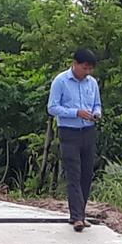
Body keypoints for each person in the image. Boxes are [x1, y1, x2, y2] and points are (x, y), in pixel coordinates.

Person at [47, 48, 101, 231]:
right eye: (84, 68)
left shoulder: (92, 83)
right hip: (68, 131)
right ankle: (76, 216)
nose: (87, 72)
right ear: (75, 64)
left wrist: (96, 113)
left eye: (90, 69)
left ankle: (81, 214)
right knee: (73, 173)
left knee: (86, 174)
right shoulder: (61, 81)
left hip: (88, 130)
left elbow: (97, 104)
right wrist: (76, 112)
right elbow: (52, 108)